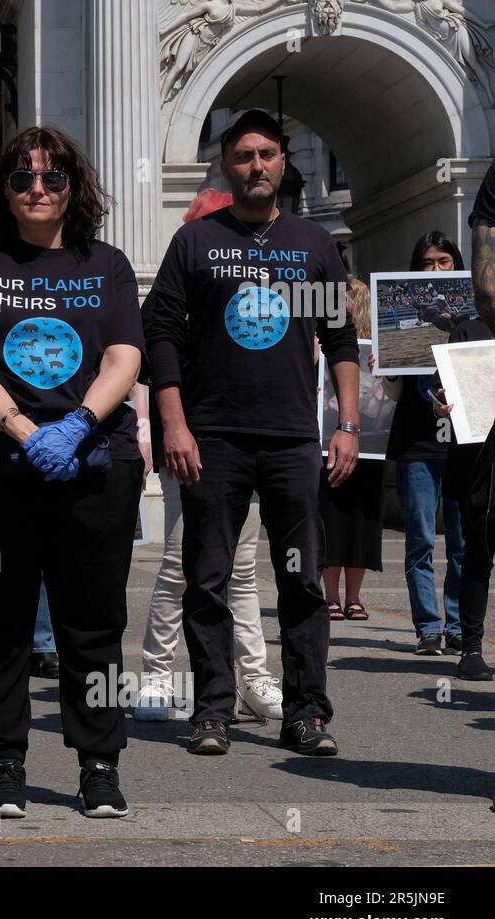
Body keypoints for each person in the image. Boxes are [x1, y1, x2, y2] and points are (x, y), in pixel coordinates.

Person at [0, 125, 145, 819]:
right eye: (22, 177)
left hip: (93, 466)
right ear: (3, 189)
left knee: (94, 623)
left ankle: (98, 765)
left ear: (73, 188)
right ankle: (3, 763)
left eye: (52, 177)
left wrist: (79, 424)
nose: (36, 189)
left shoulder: (106, 264)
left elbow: (124, 359)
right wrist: (28, 431)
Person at [144, 109, 361, 758]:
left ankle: (306, 715)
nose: (257, 165)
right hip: (214, 439)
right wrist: (175, 423)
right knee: (207, 580)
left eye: (267, 154)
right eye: (244, 156)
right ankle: (212, 710)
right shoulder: (196, 244)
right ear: (226, 166)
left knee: (298, 580)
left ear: (284, 161)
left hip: (294, 439)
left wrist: (346, 424)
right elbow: (161, 337)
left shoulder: (313, 244)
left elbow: (341, 339)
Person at [136, 188, 283, 724]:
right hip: (194, 438)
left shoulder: (264, 289)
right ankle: (155, 673)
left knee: (242, 568)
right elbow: (152, 348)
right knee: (181, 562)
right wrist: (164, 426)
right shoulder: (186, 276)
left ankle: (252, 677)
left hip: (251, 438)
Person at [382, 232, 466, 655]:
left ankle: (457, 624)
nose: (436, 270)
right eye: (429, 263)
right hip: (417, 440)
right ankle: (428, 628)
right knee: (420, 539)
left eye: (444, 261)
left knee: (462, 542)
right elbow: (396, 383)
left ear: (457, 264)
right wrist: (385, 364)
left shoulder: (474, 313)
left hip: (464, 441)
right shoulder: (408, 314)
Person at [320, 276, 385, 623]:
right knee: (331, 516)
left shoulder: (375, 347)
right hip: (327, 437)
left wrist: (383, 371)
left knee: (361, 519)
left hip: (371, 441)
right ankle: (332, 596)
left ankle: (353, 597)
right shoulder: (320, 340)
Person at [454, 170, 495, 680]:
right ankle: (470, 645)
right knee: (480, 537)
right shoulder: (472, 322)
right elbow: (486, 292)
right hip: (478, 440)